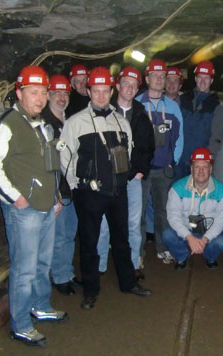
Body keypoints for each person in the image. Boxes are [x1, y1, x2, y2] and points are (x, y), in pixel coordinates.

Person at [0, 65, 67, 347]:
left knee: (42, 263)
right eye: (33, 92)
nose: (39, 98)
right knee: (24, 269)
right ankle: (21, 324)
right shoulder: (5, 124)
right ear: (19, 93)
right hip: (25, 211)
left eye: (43, 92)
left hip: (46, 207)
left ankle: (40, 305)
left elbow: (47, 165)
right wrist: (14, 196)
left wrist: (56, 195)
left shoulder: (41, 125)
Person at [60, 66, 151, 310]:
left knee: (122, 240)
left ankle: (128, 282)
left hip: (117, 191)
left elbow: (129, 151)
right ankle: (90, 290)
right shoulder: (75, 123)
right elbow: (66, 158)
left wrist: (123, 180)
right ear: (88, 91)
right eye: (96, 91)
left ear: (112, 91)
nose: (101, 96)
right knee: (89, 243)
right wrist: (75, 186)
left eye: (105, 91)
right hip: (88, 193)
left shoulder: (121, 122)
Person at [97, 67, 155, 281]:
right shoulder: (104, 111)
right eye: (126, 84)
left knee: (133, 224)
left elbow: (148, 146)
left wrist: (140, 171)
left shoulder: (141, 114)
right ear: (118, 86)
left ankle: (133, 263)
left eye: (134, 85)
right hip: (108, 180)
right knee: (103, 223)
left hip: (131, 180)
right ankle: (100, 265)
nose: (129, 88)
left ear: (137, 88)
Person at [135, 59, 184, 264]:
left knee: (162, 211)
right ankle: (137, 252)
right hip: (142, 170)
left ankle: (162, 247)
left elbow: (180, 137)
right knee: (138, 212)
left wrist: (173, 161)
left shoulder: (172, 106)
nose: (158, 79)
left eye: (162, 76)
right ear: (147, 79)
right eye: (154, 76)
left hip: (163, 169)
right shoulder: (137, 104)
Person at [41, 74, 81, 295]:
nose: (61, 97)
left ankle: (67, 272)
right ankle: (60, 276)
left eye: (65, 93)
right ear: (47, 95)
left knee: (69, 233)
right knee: (59, 235)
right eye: (56, 93)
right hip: (57, 189)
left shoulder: (69, 121)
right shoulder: (46, 125)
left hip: (70, 187)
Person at [162, 147, 223, 270]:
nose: (201, 171)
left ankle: (210, 257)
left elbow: (222, 220)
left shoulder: (222, 191)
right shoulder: (177, 188)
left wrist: (205, 239)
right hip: (186, 231)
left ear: (211, 169)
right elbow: (173, 216)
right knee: (167, 235)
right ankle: (182, 257)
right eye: (197, 167)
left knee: (222, 242)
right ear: (191, 169)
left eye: (205, 167)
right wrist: (189, 237)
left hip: (207, 232)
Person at [173, 60, 220, 181]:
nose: (203, 81)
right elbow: (173, 128)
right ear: (195, 78)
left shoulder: (216, 106)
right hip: (179, 161)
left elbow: (216, 138)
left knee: (197, 197)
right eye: (200, 77)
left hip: (200, 163)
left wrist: (205, 162)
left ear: (212, 81)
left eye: (207, 78)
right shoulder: (182, 100)